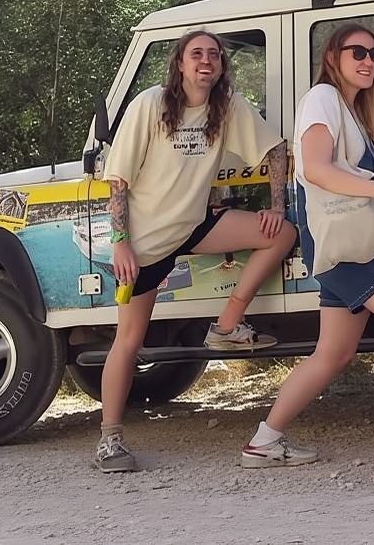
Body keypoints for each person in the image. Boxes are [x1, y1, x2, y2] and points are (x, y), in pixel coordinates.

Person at [239, 24, 374, 487]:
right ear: (332, 56)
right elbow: (317, 170)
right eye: (357, 52)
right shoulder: (322, 97)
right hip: (352, 247)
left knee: (333, 353)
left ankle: (264, 441)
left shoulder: (351, 111)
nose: (368, 61)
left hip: (342, 244)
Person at [95, 30, 297, 473]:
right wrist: (121, 242)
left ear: (221, 66)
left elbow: (276, 148)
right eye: (196, 54)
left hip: (194, 225)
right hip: (146, 244)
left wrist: (276, 206)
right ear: (180, 64)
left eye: (214, 55)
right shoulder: (150, 104)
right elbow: (118, 180)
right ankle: (110, 441)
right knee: (129, 340)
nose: (206, 61)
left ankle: (226, 326)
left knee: (280, 234)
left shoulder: (227, 106)